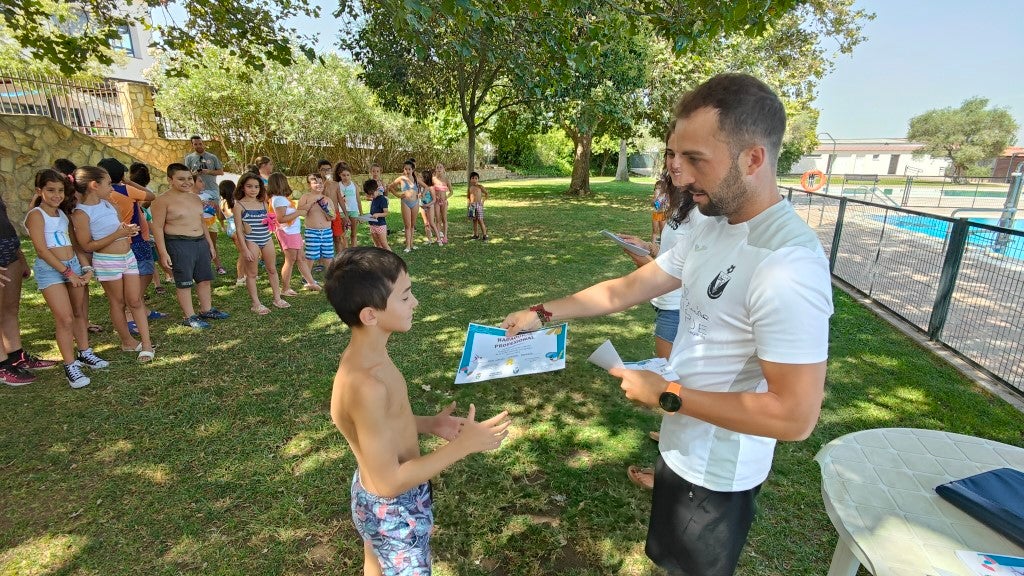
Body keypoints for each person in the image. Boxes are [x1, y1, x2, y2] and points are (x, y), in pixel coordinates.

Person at [500, 74, 834, 576]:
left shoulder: (788, 264)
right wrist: (544, 312)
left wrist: (667, 396)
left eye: (696, 159)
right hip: (682, 446)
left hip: (719, 472)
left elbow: (794, 416)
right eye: (676, 156)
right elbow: (630, 287)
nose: (679, 175)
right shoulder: (711, 223)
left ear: (754, 158)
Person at [326, 246, 511, 575]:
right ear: (370, 314)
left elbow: (377, 424)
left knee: (376, 560)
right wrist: (463, 446)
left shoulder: (364, 355)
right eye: (405, 296)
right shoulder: (366, 385)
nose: (415, 303)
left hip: (374, 503)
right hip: (394, 511)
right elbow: (388, 483)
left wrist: (428, 424)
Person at [618, 150, 705, 490]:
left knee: (672, 383)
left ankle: (664, 475)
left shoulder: (704, 214)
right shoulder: (680, 206)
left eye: (686, 156)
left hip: (676, 306)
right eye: (670, 155)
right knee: (674, 383)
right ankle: (670, 435)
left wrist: (644, 263)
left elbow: (677, 275)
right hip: (665, 302)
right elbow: (670, 258)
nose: (674, 164)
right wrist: (646, 248)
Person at [24, 169, 109, 388]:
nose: (56, 195)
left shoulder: (62, 214)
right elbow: (42, 250)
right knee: (65, 319)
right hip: (52, 270)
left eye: (60, 190)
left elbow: (73, 244)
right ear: (39, 191)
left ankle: (84, 352)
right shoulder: (36, 215)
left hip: (72, 266)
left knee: (80, 312)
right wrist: (67, 273)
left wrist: (85, 267)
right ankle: (70, 365)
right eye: (50, 190)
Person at [70, 166, 156, 362]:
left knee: (135, 300)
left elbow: (118, 227)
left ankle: (147, 343)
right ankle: (127, 341)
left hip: (128, 256)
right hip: (108, 262)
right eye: (109, 183)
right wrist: (118, 234)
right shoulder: (81, 213)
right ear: (94, 185)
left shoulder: (109, 203)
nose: (113, 187)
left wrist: (126, 230)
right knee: (117, 302)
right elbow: (87, 244)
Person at [151, 163, 230, 329]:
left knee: (204, 279)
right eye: (181, 179)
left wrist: (209, 244)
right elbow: (157, 227)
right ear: (170, 180)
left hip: (200, 241)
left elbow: (201, 222)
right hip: (178, 243)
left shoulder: (195, 198)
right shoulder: (162, 201)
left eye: (188, 178)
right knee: (185, 282)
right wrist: (163, 252)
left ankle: (206, 309)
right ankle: (189, 316)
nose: (187, 182)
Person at [98, 158, 168, 335]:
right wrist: (128, 182)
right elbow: (151, 196)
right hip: (135, 239)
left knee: (132, 276)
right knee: (143, 272)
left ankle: (141, 309)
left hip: (117, 241)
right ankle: (131, 312)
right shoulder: (125, 189)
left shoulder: (100, 195)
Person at [0, 183, 55, 385]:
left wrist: (20, 256)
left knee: (10, 308)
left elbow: (5, 225)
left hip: (9, 252)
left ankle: (16, 356)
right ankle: (2, 366)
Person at [52, 159, 103, 335]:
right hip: (59, 254)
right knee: (65, 291)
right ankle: (76, 322)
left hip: (75, 251)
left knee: (81, 288)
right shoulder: (59, 204)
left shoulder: (77, 200)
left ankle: (83, 321)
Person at [234, 173, 289, 315]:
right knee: (252, 273)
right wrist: (244, 249)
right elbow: (239, 230)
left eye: (256, 187)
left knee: (272, 269)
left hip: (266, 239)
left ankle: (277, 298)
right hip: (251, 240)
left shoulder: (264, 204)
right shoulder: (239, 205)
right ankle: (256, 303)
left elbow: (270, 222)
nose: (253, 189)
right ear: (242, 187)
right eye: (249, 186)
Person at [267, 172, 319, 294]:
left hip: (292, 233)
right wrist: (299, 212)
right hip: (288, 233)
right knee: (290, 260)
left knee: (301, 258)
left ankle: (311, 282)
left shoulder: (280, 198)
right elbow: (281, 218)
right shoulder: (279, 199)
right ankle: (285, 288)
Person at [184, 136, 227, 275]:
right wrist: (195, 175)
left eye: (200, 143)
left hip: (212, 191)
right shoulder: (190, 158)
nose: (198, 146)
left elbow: (220, 171)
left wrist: (208, 172)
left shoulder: (212, 157)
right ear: (192, 145)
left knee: (214, 216)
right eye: (195, 144)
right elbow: (186, 174)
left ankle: (223, 226)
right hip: (197, 215)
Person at [297, 173, 336, 275]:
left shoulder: (327, 199)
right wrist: (311, 202)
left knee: (328, 256)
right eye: (315, 183)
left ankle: (331, 277)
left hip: (327, 232)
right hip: (312, 232)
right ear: (309, 185)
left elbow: (332, 217)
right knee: (310, 256)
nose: (319, 185)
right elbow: (300, 211)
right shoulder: (306, 197)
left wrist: (326, 209)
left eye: (321, 182)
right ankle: (306, 278)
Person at [386, 159, 421, 253]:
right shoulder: (401, 178)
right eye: (406, 169)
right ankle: (408, 246)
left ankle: (412, 244)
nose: (407, 171)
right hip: (405, 202)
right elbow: (390, 187)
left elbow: (425, 187)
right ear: (404, 169)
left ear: (412, 169)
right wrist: (397, 195)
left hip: (415, 203)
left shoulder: (416, 178)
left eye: (409, 169)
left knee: (412, 225)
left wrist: (421, 194)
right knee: (407, 225)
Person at [217, 180, 245, 287]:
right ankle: (240, 277)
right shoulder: (233, 202)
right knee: (243, 253)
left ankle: (245, 274)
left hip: (230, 229)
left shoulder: (222, 202)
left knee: (243, 253)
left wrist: (223, 226)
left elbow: (220, 216)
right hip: (237, 229)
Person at [335, 162, 363, 248]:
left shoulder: (354, 185)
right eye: (344, 175)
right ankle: (346, 252)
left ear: (350, 175)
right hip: (343, 212)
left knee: (353, 232)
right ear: (340, 175)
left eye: (348, 175)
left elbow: (358, 200)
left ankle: (354, 251)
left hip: (354, 211)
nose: (346, 177)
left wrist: (361, 213)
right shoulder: (338, 185)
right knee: (345, 232)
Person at [363, 179, 391, 252]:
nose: (371, 196)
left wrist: (378, 214)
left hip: (380, 225)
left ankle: (392, 260)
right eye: (369, 194)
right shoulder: (373, 199)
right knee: (377, 246)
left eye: (372, 194)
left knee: (384, 245)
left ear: (377, 189)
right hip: (372, 225)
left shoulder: (382, 199)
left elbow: (386, 213)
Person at [432, 163, 454, 245]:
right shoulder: (433, 179)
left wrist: (446, 198)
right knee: (437, 219)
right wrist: (436, 196)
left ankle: (445, 236)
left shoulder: (447, 179)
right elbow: (431, 190)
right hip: (436, 202)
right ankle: (438, 237)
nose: (439, 169)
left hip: (444, 202)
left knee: (444, 219)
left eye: (441, 167)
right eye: (437, 167)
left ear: (444, 169)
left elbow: (451, 192)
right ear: (435, 170)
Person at [467, 171, 489, 241]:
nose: (474, 180)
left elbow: (486, 194)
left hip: (479, 205)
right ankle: (476, 235)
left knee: (480, 220)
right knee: (474, 221)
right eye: (473, 178)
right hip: (472, 206)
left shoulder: (480, 187)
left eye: (476, 178)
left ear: (478, 179)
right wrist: (468, 205)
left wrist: (483, 201)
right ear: (470, 180)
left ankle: (485, 235)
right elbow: (468, 197)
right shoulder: (470, 188)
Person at [419, 169, 439, 245]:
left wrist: (427, 205)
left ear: (425, 178)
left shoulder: (431, 188)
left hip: (430, 206)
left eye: (421, 177)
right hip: (422, 207)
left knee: (431, 223)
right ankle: (429, 240)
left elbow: (434, 200)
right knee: (426, 223)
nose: (419, 179)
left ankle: (439, 239)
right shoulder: (421, 187)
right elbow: (420, 197)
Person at [651, 178, 670, 244]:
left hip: (663, 214)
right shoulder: (656, 196)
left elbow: (668, 205)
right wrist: (656, 197)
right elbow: (653, 205)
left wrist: (666, 204)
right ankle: (653, 246)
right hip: (656, 214)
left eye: (659, 188)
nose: (657, 190)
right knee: (655, 231)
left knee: (663, 231)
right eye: (656, 188)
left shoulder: (666, 195)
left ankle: (662, 245)